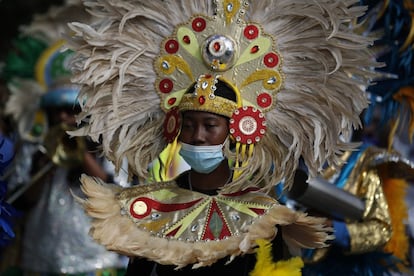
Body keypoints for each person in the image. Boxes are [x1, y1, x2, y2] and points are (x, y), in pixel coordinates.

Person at [67, 0, 382, 274]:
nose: (198, 136)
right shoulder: (150, 208)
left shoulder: (264, 217)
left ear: (237, 130)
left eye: (210, 125)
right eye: (189, 125)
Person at [1, 1, 128, 274]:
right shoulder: (33, 146)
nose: (62, 119)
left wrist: (81, 151)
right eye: (55, 111)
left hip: (94, 261)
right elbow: (21, 201)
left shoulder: (111, 147)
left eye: (70, 111)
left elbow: (116, 196)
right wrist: (45, 161)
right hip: (40, 260)